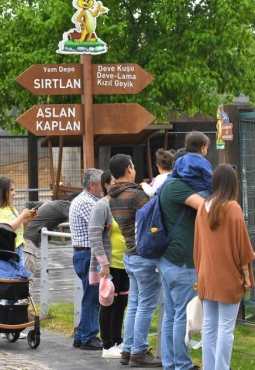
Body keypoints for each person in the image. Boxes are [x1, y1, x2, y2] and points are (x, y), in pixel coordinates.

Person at [194, 164, 255, 370]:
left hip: (206, 274)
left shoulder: (203, 206)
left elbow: (198, 244)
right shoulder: (232, 208)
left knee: (209, 326)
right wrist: (246, 275)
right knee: (226, 328)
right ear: (233, 182)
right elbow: (242, 246)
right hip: (227, 276)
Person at [108, 154, 161, 367]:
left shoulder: (113, 196)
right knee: (146, 306)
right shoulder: (135, 196)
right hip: (144, 256)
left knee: (134, 304)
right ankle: (139, 350)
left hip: (129, 255)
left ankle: (128, 349)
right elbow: (155, 214)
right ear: (129, 168)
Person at [157, 147, 205, 370]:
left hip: (169, 261)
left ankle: (171, 363)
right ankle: (182, 365)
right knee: (181, 316)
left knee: (170, 315)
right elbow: (206, 207)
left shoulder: (168, 184)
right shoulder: (177, 187)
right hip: (181, 263)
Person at [88, 170, 129, 359]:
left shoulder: (121, 203)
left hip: (125, 263)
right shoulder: (101, 206)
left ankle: (117, 340)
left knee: (121, 303)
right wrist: (103, 263)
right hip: (109, 264)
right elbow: (95, 236)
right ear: (106, 185)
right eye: (114, 182)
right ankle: (107, 344)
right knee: (107, 304)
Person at [69, 168, 104, 351]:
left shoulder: (86, 200)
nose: (104, 186)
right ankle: (88, 337)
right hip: (88, 254)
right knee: (92, 297)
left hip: (84, 253)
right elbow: (102, 226)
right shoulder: (87, 202)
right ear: (92, 184)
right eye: (101, 182)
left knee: (90, 296)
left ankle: (81, 335)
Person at [22, 192, 79, 283]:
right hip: (30, 240)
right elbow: (78, 218)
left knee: (22, 275)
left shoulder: (51, 203)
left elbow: (30, 204)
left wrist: (27, 218)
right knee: (25, 277)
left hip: (24, 236)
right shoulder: (66, 206)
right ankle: (23, 296)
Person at [0, 177, 37, 267]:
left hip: (19, 248)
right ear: (3, 192)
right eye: (11, 190)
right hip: (8, 251)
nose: (14, 193)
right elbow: (7, 228)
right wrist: (22, 216)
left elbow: (19, 230)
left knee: (20, 278)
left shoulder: (11, 208)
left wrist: (27, 220)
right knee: (15, 278)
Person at [171, 131, 213, 198]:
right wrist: (214, 193)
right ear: (202, 148)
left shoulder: (180, 160)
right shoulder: (203, 162)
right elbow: (210, 180)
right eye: (206, 148)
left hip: (185, 193)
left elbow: (174, 177)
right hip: (202, 192)